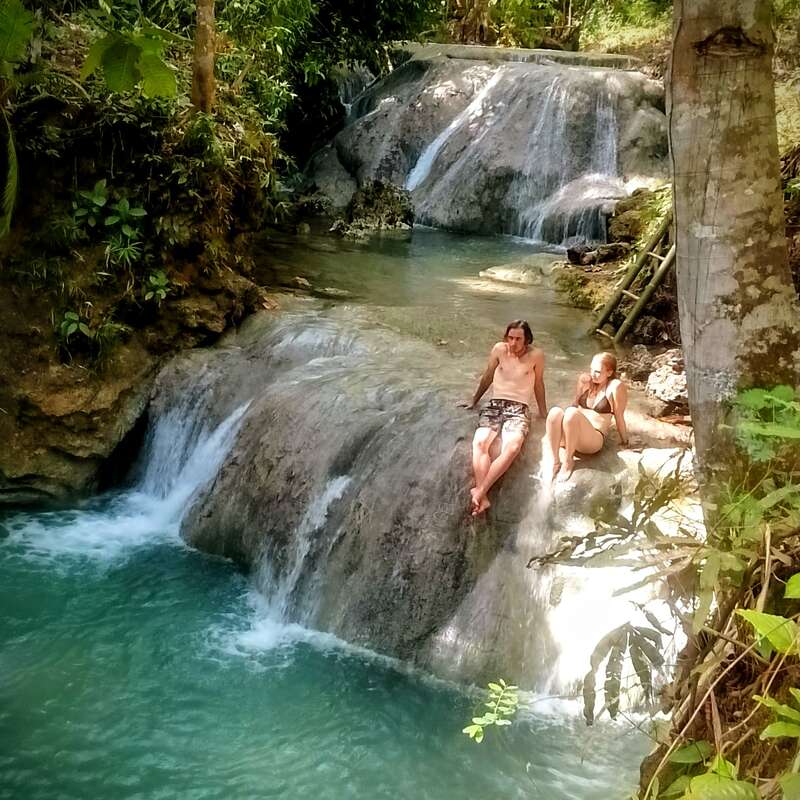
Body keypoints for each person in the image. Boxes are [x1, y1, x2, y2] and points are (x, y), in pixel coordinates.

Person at [464, 320, 546, 516]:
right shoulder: (499, 350)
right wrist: (474, 401)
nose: (513, 342)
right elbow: (487, 376)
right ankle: (482, 499)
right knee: (480, 442)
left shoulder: (536, 356)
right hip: (495, 404)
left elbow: (539, 384)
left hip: (519, 408)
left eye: (518, 339)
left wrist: (544, 412)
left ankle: (481, 491)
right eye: (510, 337)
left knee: (512, 447)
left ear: (527, 340)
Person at [544, 351, 629, 481]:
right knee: (555, 412)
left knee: (572, 413)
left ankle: (568, 461)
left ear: (609, 372)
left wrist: (625, 442)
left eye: (598, 372)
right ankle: (556, 461)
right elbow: (575, 404)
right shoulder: (585, 381)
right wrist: (582, 387)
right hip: (569, 435)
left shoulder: (615, 386)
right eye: (591, 369)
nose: (592, 374)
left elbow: (619, 416)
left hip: (591, 440)